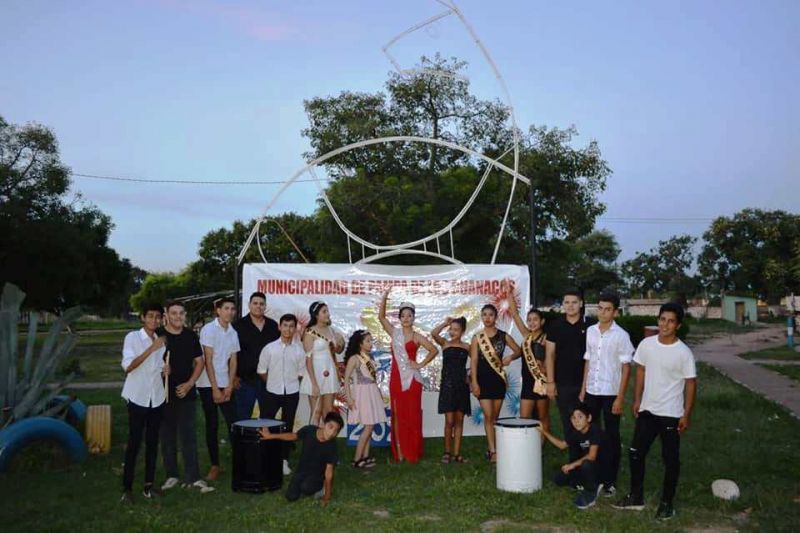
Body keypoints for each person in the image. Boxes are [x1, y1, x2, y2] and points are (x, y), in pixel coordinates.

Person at [613, 302, 697, 520]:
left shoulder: (683, 353)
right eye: (662, 320)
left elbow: (690, 384)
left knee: (670, 460)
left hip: (671, 413)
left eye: (671, 321)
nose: (665, 325)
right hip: (647, 410)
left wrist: (686, 414)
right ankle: (636, 497)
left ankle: (667, 504)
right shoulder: (647, 345)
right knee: (635, 453)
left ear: (678, 325)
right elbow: (641, 371)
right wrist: (637, 399)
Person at [578, 292, 634, 497]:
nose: (602, 313)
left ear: (615, 312)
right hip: (592, 390)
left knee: (611, 436)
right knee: (591, 434)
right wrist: (583, 389)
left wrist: (620, 397)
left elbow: (626, 368)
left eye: (607, 309)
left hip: (610, 392)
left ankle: (610, 481)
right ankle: (592, 476)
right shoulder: (591, 331)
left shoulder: (621, 335)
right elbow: (588, 360)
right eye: (600, 308)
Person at [157, 301, 214, 494]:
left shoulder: (190, 336)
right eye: (173, 313)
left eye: (181, 313)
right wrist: (161, 369)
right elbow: (148, 361)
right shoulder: (158, 335)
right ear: (166, 315)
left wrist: (189, 384)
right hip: (163, 393)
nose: (178, 317)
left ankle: (193, 477)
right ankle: (172, 475)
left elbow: (199, 362)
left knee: (188, 436)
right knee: (167, 436)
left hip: (186, 392)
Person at [378, 290, 439, 464]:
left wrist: (420, 364)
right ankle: (399, 453)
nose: (406, 318)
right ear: (399, 318)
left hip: (412, 380)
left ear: (413, 318)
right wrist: (384, 298)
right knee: (398, 414)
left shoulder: (417, 336)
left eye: (409, 315)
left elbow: (434, 350)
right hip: (396, 379)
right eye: (403, 315)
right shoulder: (395, 333)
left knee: (412, 415)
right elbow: (381, 318)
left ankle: (412, 451)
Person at [120, 302, 169, 503]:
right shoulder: (132, 337)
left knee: (152, 443)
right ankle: (127, 488)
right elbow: (129, 367)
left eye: (158, 317)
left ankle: (148, 486)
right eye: (150, 316)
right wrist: (151, 349)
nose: (154, 320)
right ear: (143, 317)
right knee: (134, 443)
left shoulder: (160, 340)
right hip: (137, 397)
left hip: (156, 398)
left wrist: (165, 370)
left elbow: (158, 368)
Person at [469, 304, 521, 463]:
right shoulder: (477, 338)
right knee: (488, 415)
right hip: (482, 380)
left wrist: (510, 357)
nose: (487, 318)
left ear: (495, 317)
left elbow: (519, 350)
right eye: (484, 314)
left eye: (490, 314)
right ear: (481, 317)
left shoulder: (503, 336)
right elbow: (474, 361)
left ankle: (494, 447)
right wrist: (474, 382)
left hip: (498, 380)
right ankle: (493, 451)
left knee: (495, 417)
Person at [196, 297, 241, 481]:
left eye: (232, 309)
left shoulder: (233, 332)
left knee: (233, 422)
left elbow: (234, 361)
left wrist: (229, 386)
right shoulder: (208, 330)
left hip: (225, 382)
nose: (230, 312)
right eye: (226, 308)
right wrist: (215, 389)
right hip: (208, 383)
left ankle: (240, 462)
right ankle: (215, 465)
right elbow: (208, 360)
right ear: (218, 310)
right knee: (212, 424)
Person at [259, 411, 344, 506]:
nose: (332, 433)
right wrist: (271, 436)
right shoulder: (309, 430)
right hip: (302, 471)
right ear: (323, 424)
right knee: (291, 497)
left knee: (306, 488)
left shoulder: (332, 446)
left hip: (317, 475)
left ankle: (321, 488)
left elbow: (329, 474)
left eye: (336, 431)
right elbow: (293, 436)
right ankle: (303, 484)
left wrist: (327, 497)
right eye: (330, 427)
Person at [538, 402, 613, 510]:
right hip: (587, 467)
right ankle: (581, 482)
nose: (576, 421)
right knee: (559, 479)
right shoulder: (576, 432)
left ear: (589, 418)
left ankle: (591, 490)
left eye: (580, 417)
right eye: (573, 418)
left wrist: (572, 465)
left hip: (602, 469)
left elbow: (591, 456)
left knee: (586, 464)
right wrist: (543, 431)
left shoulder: (594, 431)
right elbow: (562, 445)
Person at [257, 313, 306, 476]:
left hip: (291, 393)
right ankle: (265, 457)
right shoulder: (269, 348)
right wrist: (272, 382)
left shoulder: (299, 351)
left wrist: (290, 383)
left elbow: (300, 373)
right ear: (279, 327)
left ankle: (284, 460)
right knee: (266, 424)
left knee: (287, 425)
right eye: (285, 325)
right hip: (271, 392)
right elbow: (262, 371)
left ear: (295, 329)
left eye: (291, 326)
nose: (288, 329)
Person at [545, 290, 597, 438]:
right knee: (568, 420)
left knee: (590, 420)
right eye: (567, 302)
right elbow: (549, 355)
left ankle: (591, 449)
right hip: (563, 382)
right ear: (563, 304)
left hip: (588, 382)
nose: (570, 306)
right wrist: (550, 382)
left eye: (574, 302)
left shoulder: (591, 326)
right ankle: (573, 450)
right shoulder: (555, 326)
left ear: (580, 304)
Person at [504, 285, 551, 432]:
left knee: (543, 417)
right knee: (525, 418)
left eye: (535, 319)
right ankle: (527, 443)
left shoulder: (547, 338)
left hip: (542, 381)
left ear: (542, 321)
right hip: (528, 383)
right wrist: (509, 294)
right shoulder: (526, 335)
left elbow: (552, 359)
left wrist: (545, 369)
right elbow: (515, 314)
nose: (532, 322)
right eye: (529, 320)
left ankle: (541, 443)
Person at [343, 329, 387, 469]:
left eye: (371, 340)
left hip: (372, 392)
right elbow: (346, 380)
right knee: (368, 426)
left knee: (370, 425)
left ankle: (365, 456)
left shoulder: (370, 357)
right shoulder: (355, 358)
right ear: (360, 343)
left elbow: (373, 378)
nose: (370, 343)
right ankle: (356, 459)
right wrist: (349, 398)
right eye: (367, 341)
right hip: (362, 394)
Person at [431, 316, 471, 464]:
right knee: (449, 421)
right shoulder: (445, 344)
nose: (452, 332)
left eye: (456, 330)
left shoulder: (467, 347)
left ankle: (457, 454)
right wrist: (445, 323)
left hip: (461, 386)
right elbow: (434, 333)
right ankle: (447, 452)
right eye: (451, 329)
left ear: (462, 332)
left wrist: (470, 374)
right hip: (448, 386)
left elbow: (476, 362)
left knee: (459, 420)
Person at [233, 292, 279, 421]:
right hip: (244, 381)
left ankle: (265, 436)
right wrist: (233, 376)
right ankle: (243, 436)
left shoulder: (273, 326)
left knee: (268, 418)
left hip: (268, 381)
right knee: (243, 419)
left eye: (261, 304)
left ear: (265, 306)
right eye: (255, 303)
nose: (258, 306)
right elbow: (230, 353)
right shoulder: (237, 326)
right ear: (249, 305)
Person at [299, 301, 345, 426]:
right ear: (316, 315)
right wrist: (314, 384)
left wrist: (340, 343)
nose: (327, 314)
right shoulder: (310, 332)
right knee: (316, 411)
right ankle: (312, 437)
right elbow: (308, 359)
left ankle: (327, 436)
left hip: (329, 373)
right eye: (324, 312)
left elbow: (336, 351)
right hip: (315, 373)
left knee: (328, 411)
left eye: (327, 311)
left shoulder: (331, 330)